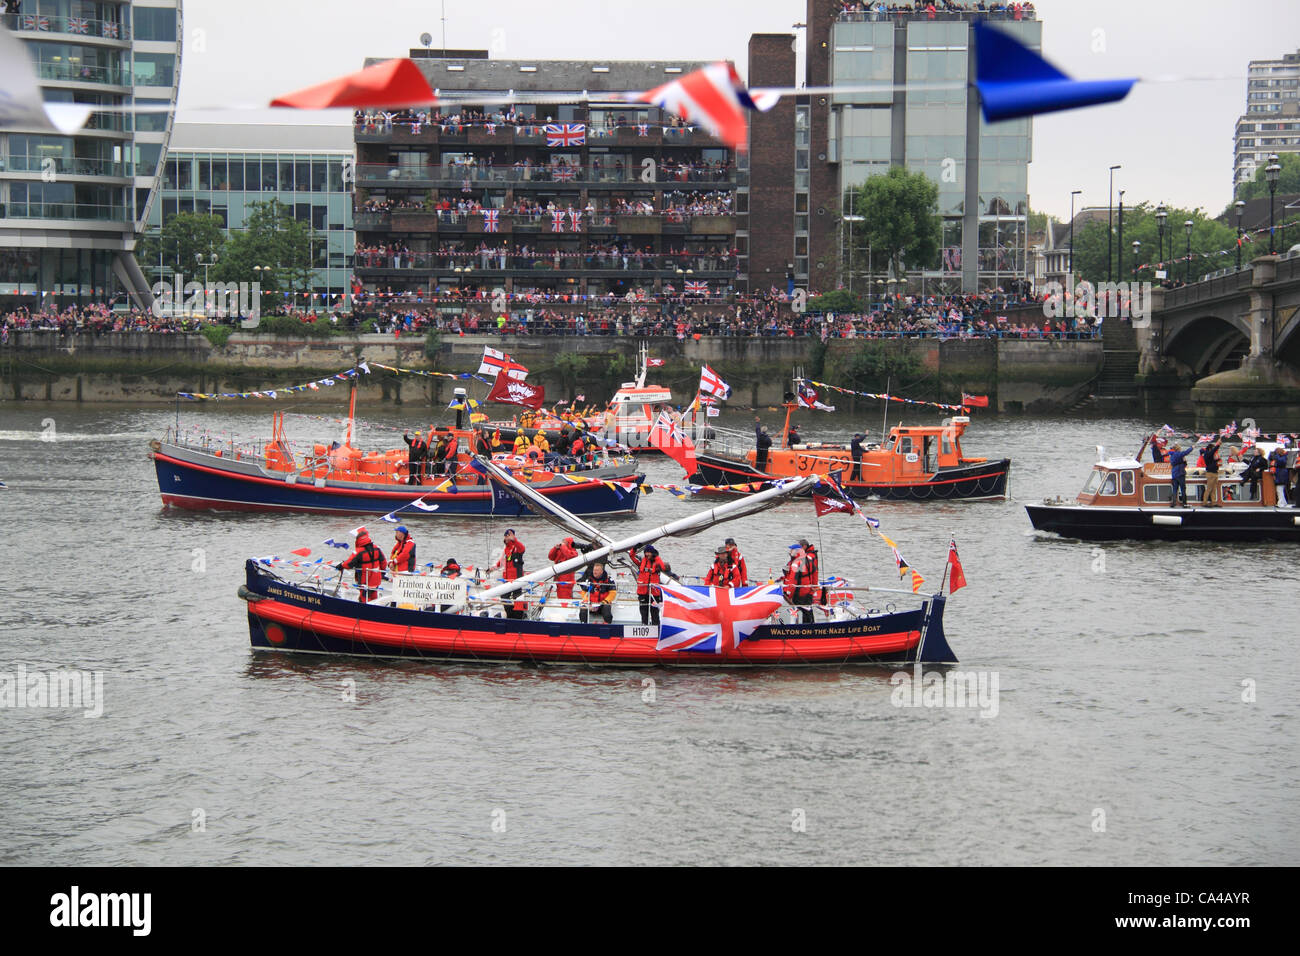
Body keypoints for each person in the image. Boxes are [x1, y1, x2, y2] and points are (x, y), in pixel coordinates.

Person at [336, 527, 386, 603]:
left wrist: (341, 565)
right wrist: (382, 573)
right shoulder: (377, 548)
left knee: (364, 599)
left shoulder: (358, 551)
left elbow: (349, 564)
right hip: (376, 579)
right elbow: (383, 562)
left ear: (358, 540)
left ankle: (365, 612)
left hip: (365, 580)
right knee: (374, 597)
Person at [494, 529, 527, 618]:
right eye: (506, 536)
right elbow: (500, 562)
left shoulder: (516, 548)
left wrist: (514, 540)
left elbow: (522, 549)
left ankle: (519, 616)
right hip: (507, 579)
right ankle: (510, 614)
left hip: (516, 579)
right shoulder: (505, 550)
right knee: (504, 597)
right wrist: (492, 568)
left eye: (508, 536)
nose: (506, 538)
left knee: (518, 598)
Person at [632, 544, 669, 624]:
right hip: (642, 590)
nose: (647, 554)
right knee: (643, 611)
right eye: (646, 552)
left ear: (652, 553)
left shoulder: (657, 560)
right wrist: (634, 549)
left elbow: (662, 567)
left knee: (655, 612)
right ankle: (644, 625)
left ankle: (656, 627)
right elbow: (632, 556)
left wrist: (656, 557)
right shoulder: (642, 561)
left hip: (654, 592)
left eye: (649, 552)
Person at [783, 543, 816, 624]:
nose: (790, 552)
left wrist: (788, 594)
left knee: (800, 611)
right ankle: (812, 626)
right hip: (808, 591)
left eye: (791, 550)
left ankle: (800, 628)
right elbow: (815, 573)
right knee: (808, 610)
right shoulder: (809, 559)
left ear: (796, 551)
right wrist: (814, 587)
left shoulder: (796, 563)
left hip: (799, 593)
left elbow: (793, 580)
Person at [579, 560, 617, 624]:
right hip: (590, 604)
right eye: (594, 570)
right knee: (583, 609)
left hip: (603, 604)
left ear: (601, 571)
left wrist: (604, 602)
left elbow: (613, 593)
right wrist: (587, 602)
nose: (594, 572)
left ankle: (607, 626)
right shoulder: (588, 580)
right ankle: (583, 626)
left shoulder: (609, 580)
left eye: (597, 570)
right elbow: (583, 592)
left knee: (607, 610)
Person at [548, 536, 580, 600]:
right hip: (558, 577)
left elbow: (568, 555)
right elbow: (551, 557)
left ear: (569, 543)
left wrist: (563, 547)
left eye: (564, 542)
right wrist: (555, 548)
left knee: (565, 597)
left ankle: (565, 608)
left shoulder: (574, 553)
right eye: (562, 542)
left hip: (567, 579)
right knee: (560, 595)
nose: (562, 543)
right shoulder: (560, 550)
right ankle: (563, 606)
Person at [1167, 443, 1194, 507]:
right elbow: (1186, 452)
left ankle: (1173, 503)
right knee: (1183, 489)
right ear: (1178, 449)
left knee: (1175, 489)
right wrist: (1192, 447)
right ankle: (1184, 503)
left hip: (1174, 473)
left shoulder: (1171, 455)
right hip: (1180, 473)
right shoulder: (1178, 454)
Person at [1202, 437, 1222, 506]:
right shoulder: (1207, 454)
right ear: (1210, 449)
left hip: (1215, 472)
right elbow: (1213, 452)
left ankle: (1213, 502)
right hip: (1210, 473)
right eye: (1212, 449)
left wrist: (1217, 460)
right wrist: (1218, 445)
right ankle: (1204, 502)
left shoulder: (1210, 455)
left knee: (1214, 489)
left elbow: (1212, 461)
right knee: (1209, 488)